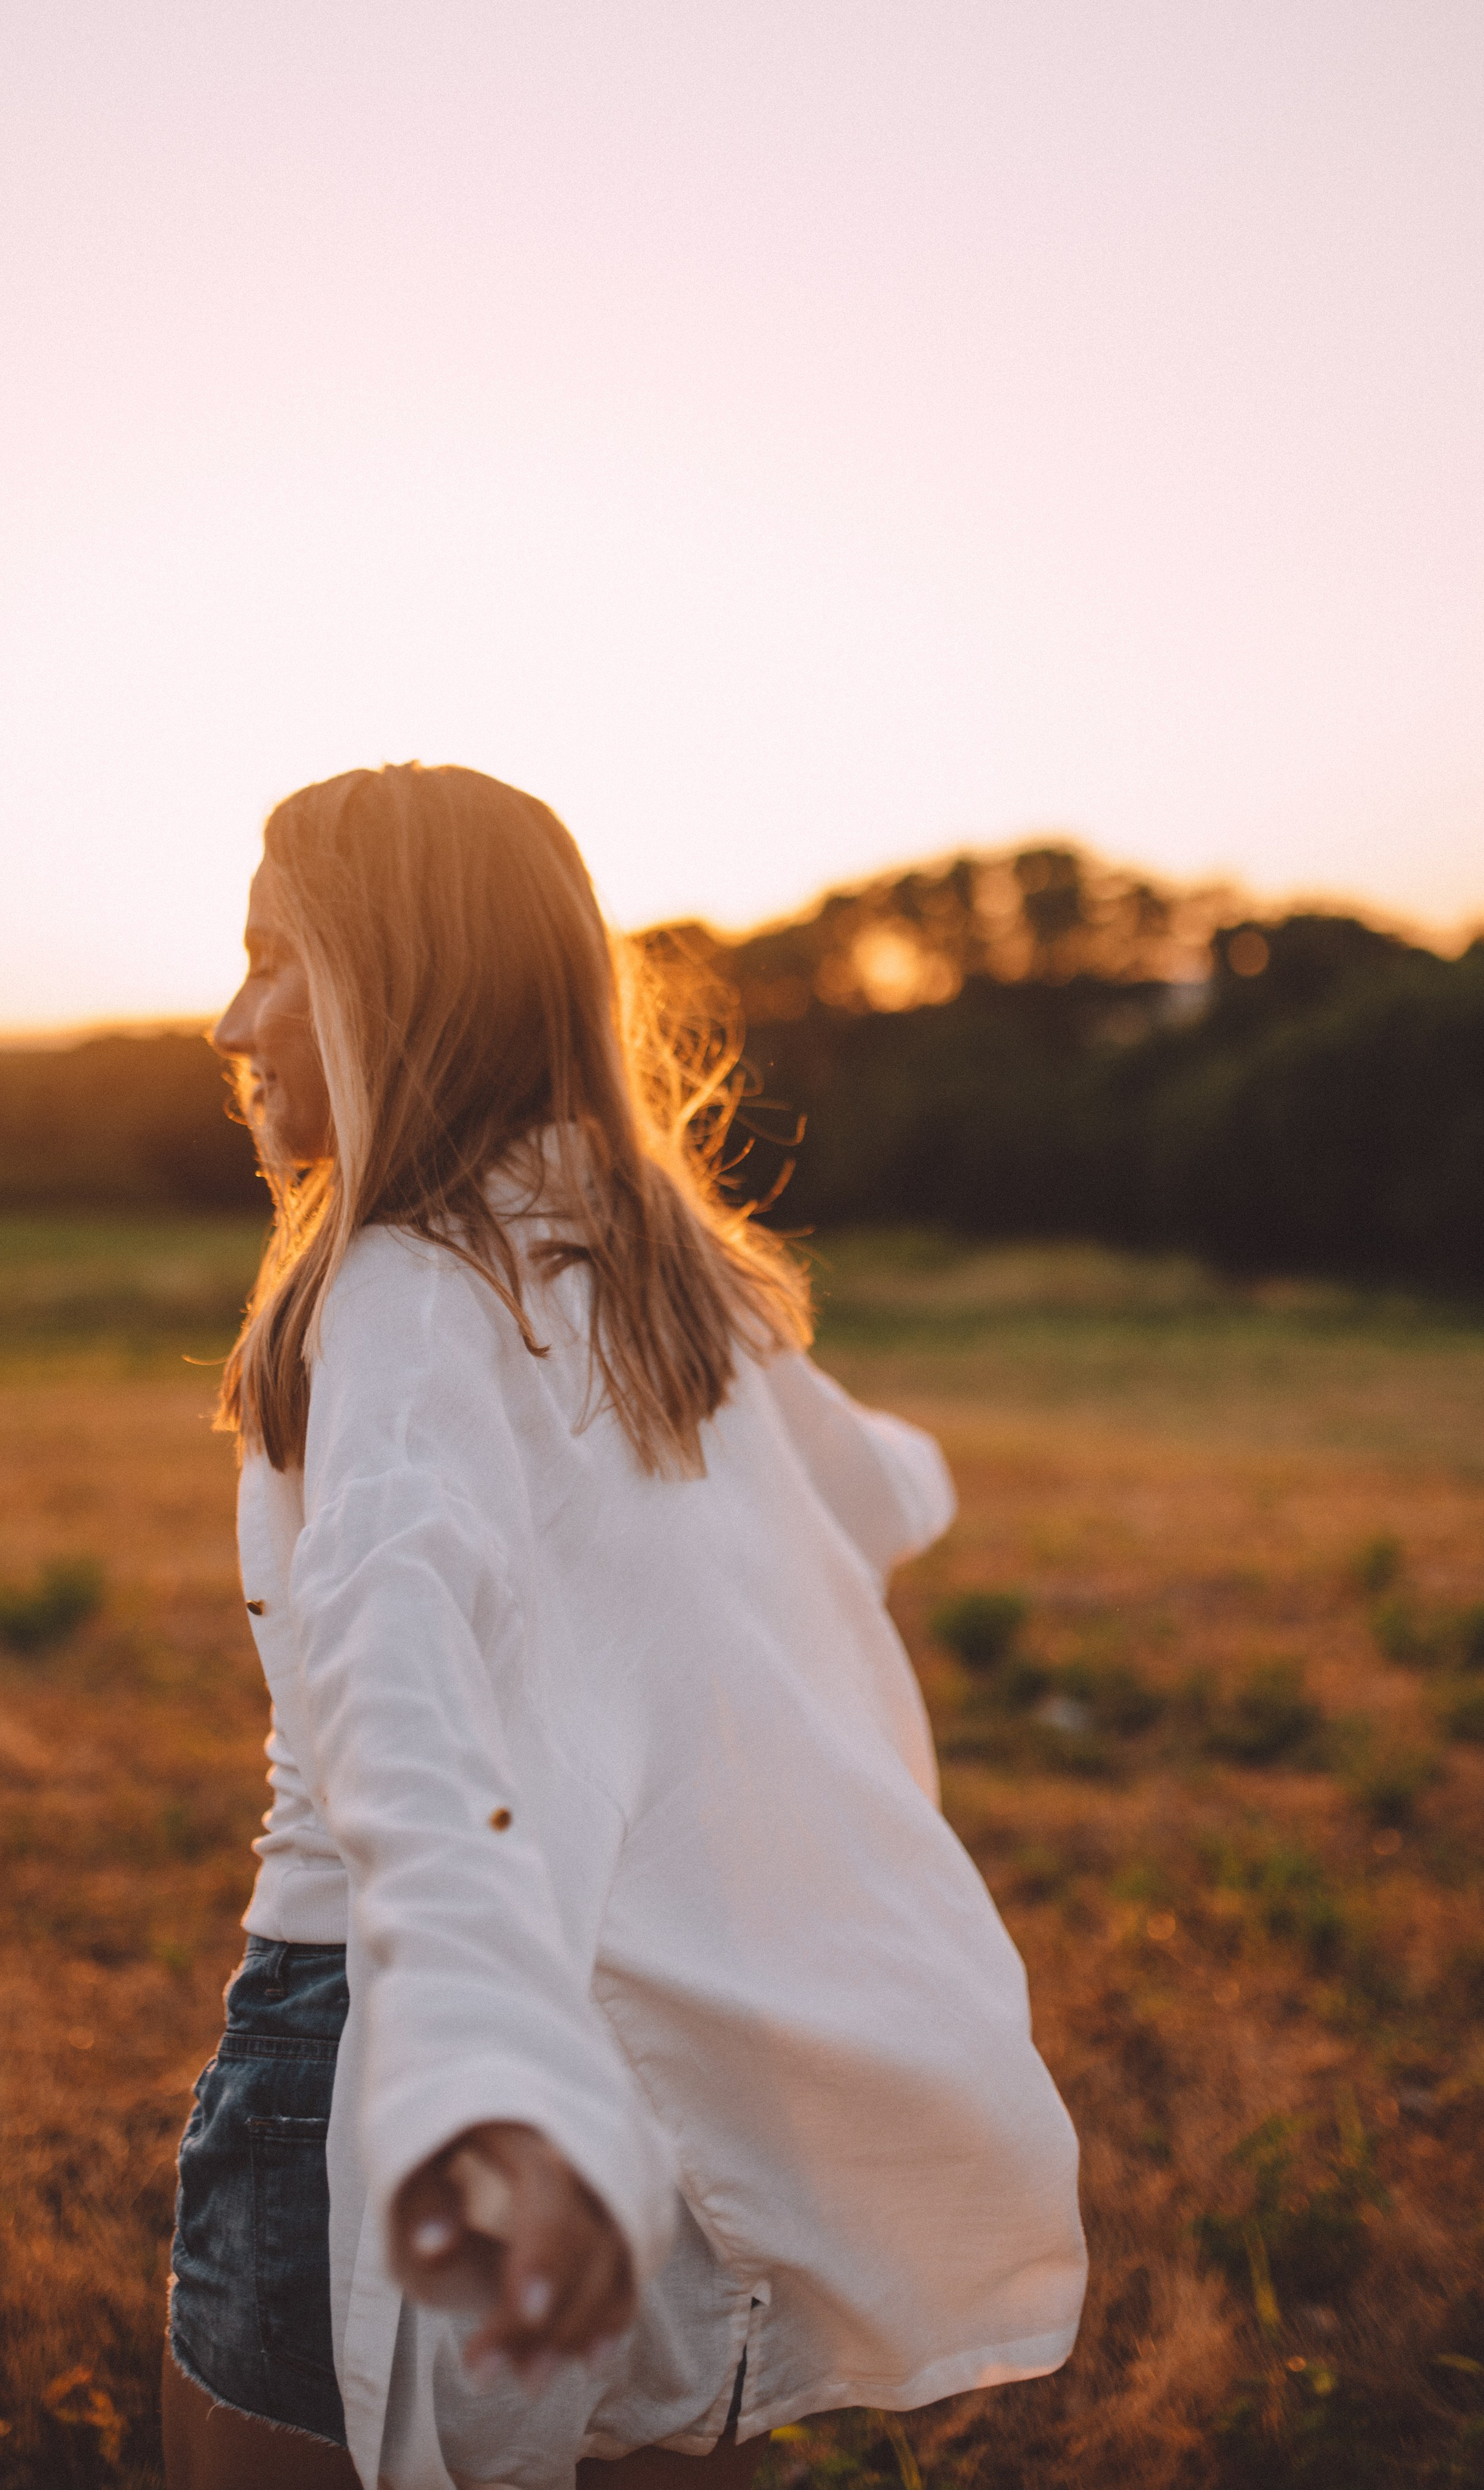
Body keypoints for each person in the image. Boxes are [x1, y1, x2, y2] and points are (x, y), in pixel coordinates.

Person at [163, 764, 1085, 2490]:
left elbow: (391, 1667)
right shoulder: (677, 1276)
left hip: (393, 2027)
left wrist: (470, 2070)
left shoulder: (405, 1288)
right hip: (634, 2049)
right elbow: (880, 1498)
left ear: (396, 984)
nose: (233, 1020)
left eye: (275, 958)